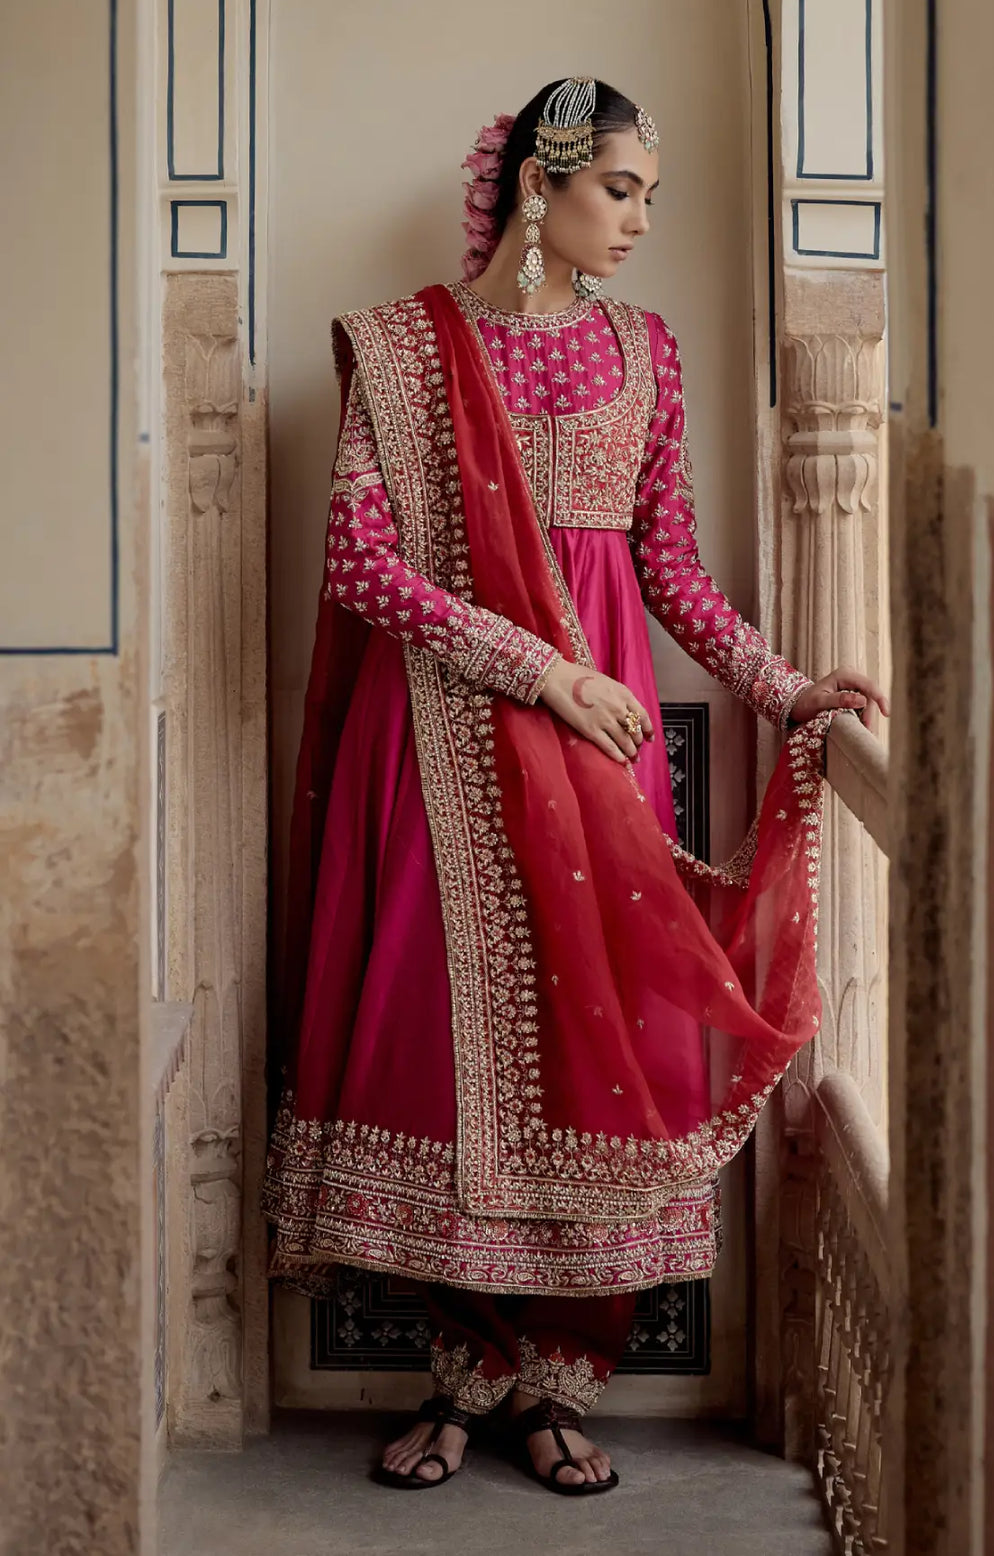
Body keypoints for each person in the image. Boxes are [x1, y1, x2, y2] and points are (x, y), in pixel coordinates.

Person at [261, 76, 887, 1495]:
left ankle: (555, 1383)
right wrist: (540, 670)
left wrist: (787, 686)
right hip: (437, 749)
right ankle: (461, 1375)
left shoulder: (647, 357)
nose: (642, 221)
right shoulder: (406, 354)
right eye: (623, 190)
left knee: (601, 1057)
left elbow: (668, 572)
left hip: (597, 781)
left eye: (654, 196)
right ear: (541, 185)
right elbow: (366, 566)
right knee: (442, 1048)